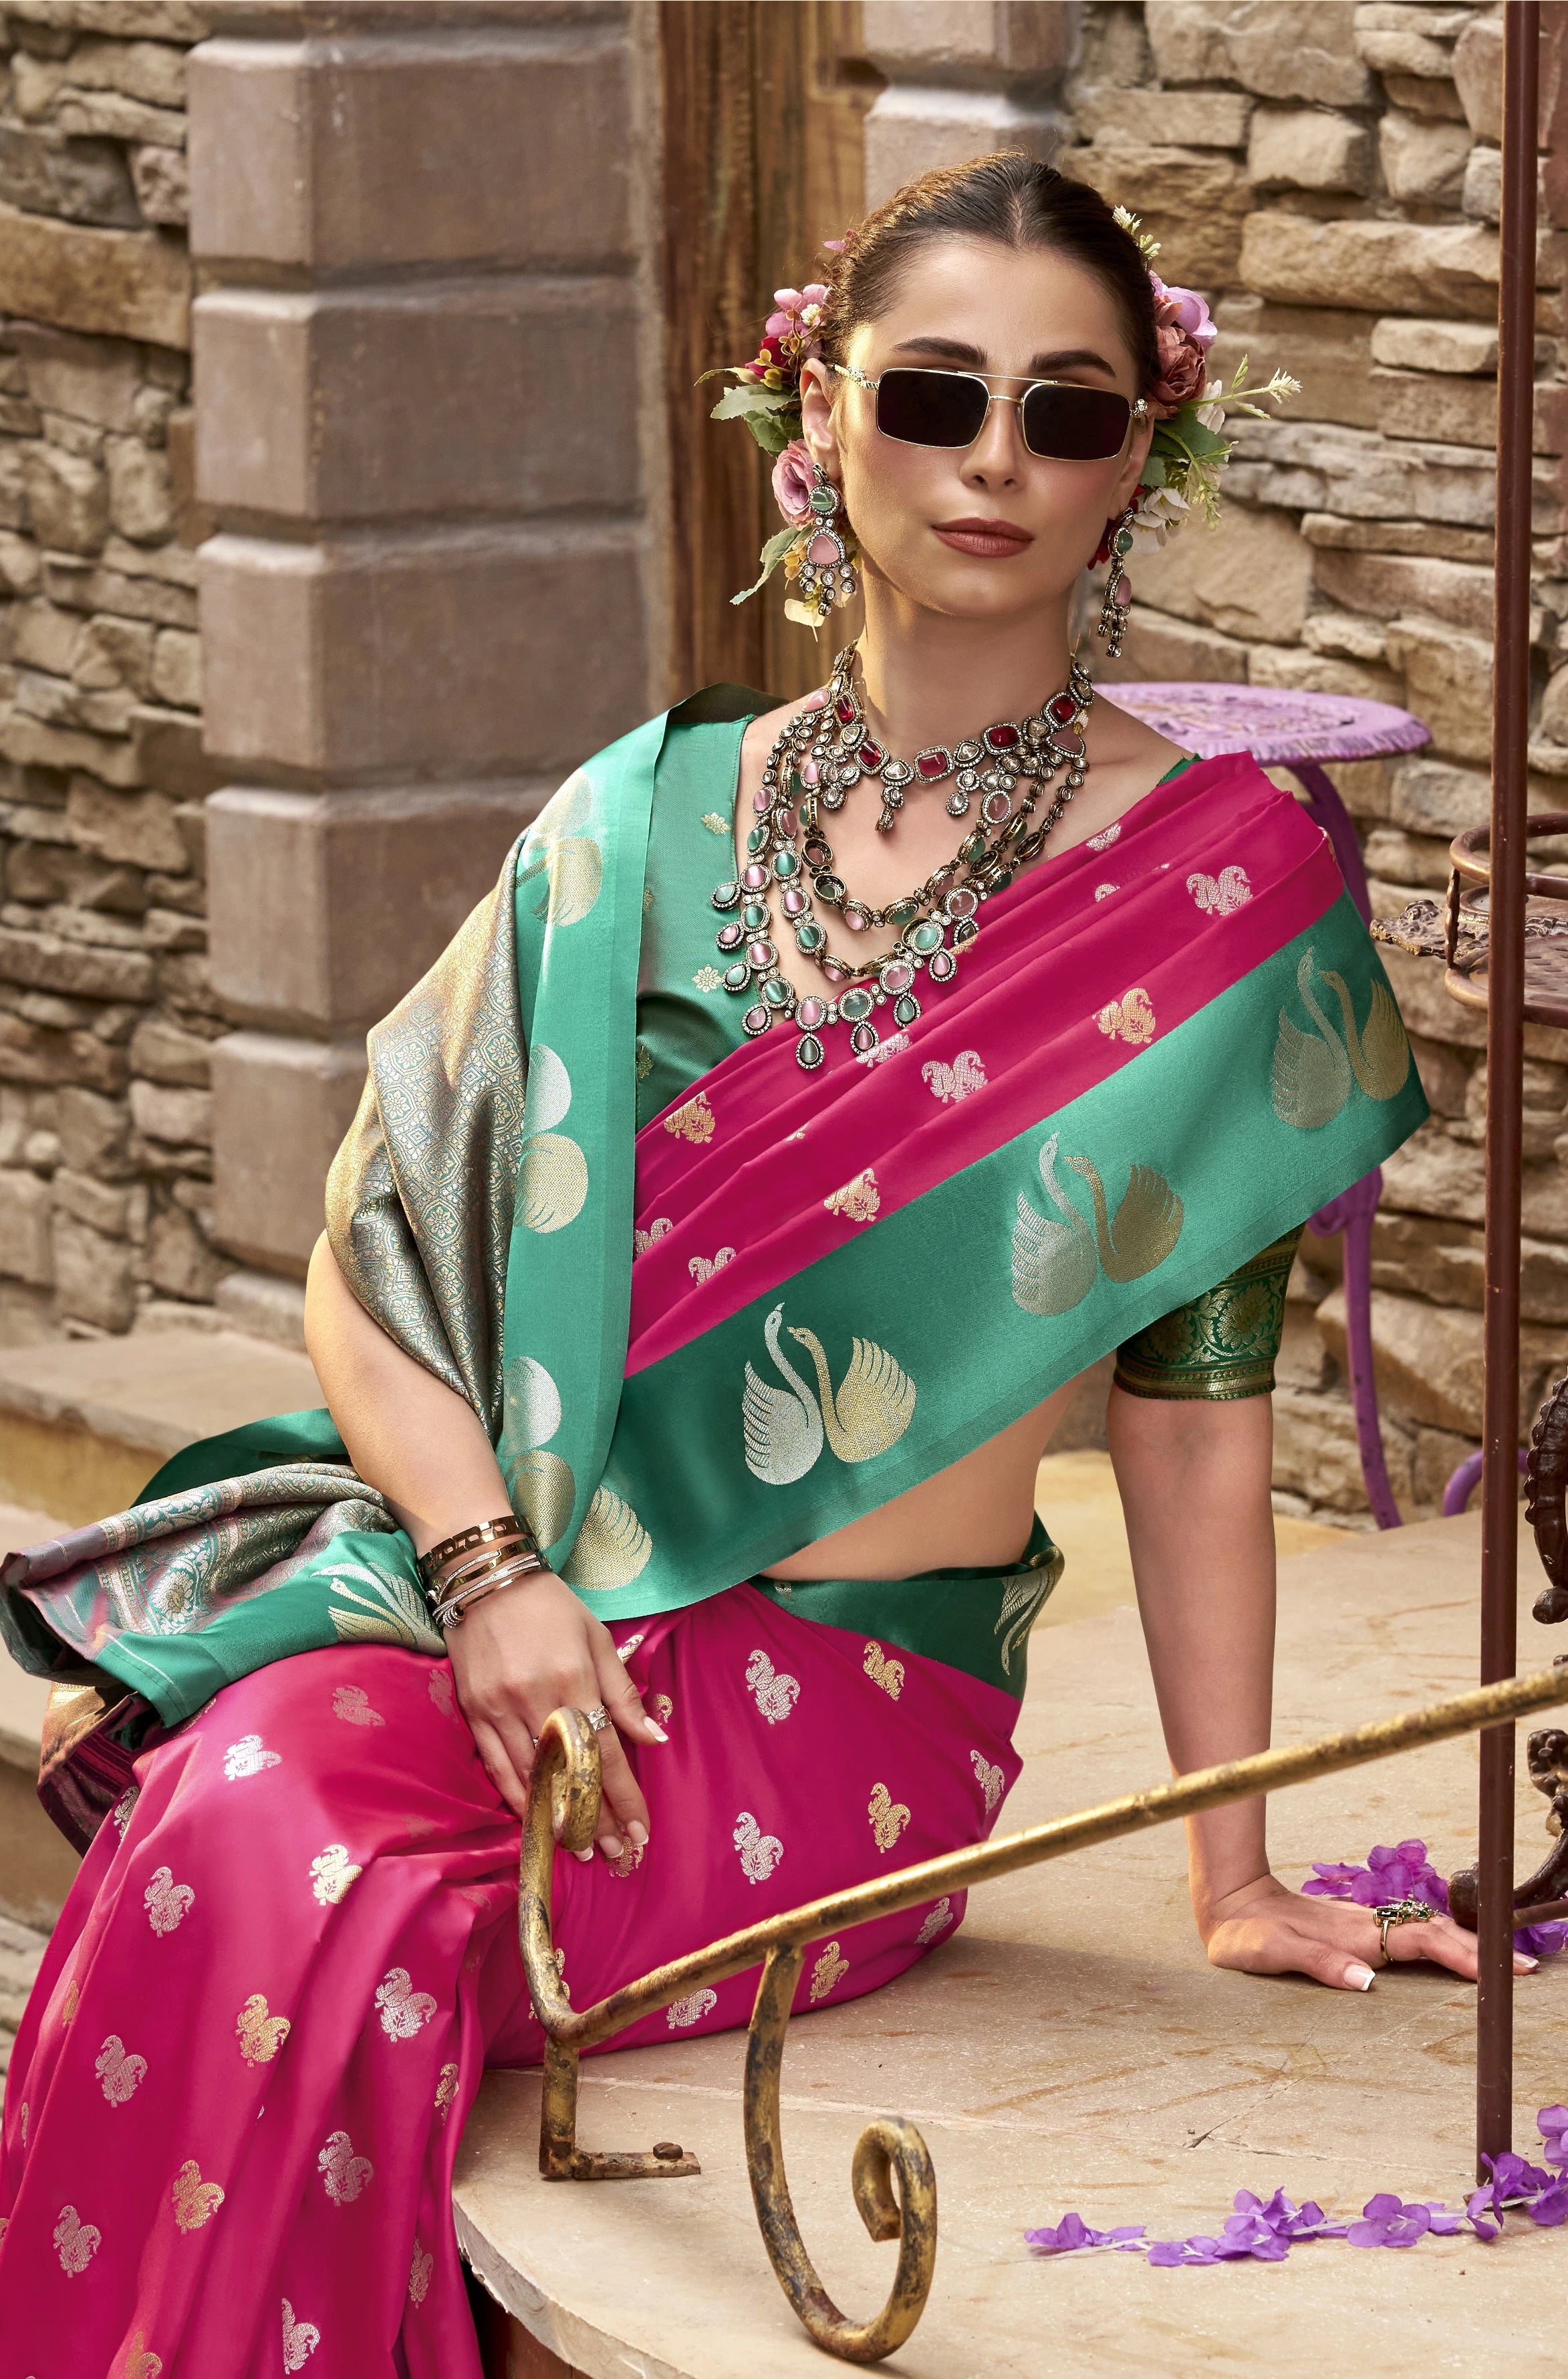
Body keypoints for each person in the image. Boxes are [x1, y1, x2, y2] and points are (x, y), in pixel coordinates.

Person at [0, 153, 1510, 2378]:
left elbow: (1200, 1407)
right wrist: (498, 1574)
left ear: (1132, 470)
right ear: (819, 413)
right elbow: (379, 1262)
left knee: (273, 1832)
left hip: (849, 1720)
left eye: (1067, 414)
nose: (992, 459)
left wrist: (1230, 1859)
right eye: (932, 393)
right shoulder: (631, 820)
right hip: (526, 1615)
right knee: (239, 1810)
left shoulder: (1224, 890)